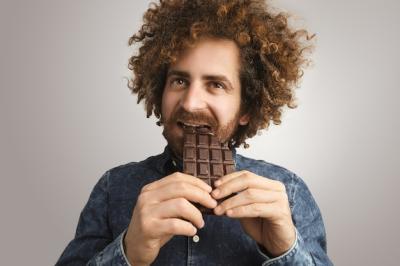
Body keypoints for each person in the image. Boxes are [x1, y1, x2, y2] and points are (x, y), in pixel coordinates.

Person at [56, 0, 333, 265]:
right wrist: (129, 252)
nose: (190, 103)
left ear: (246, 109)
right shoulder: (113, 188)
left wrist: (286, 250)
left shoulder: (289, 194)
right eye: (179, 80)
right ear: (159, 90)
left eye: (216, 85)